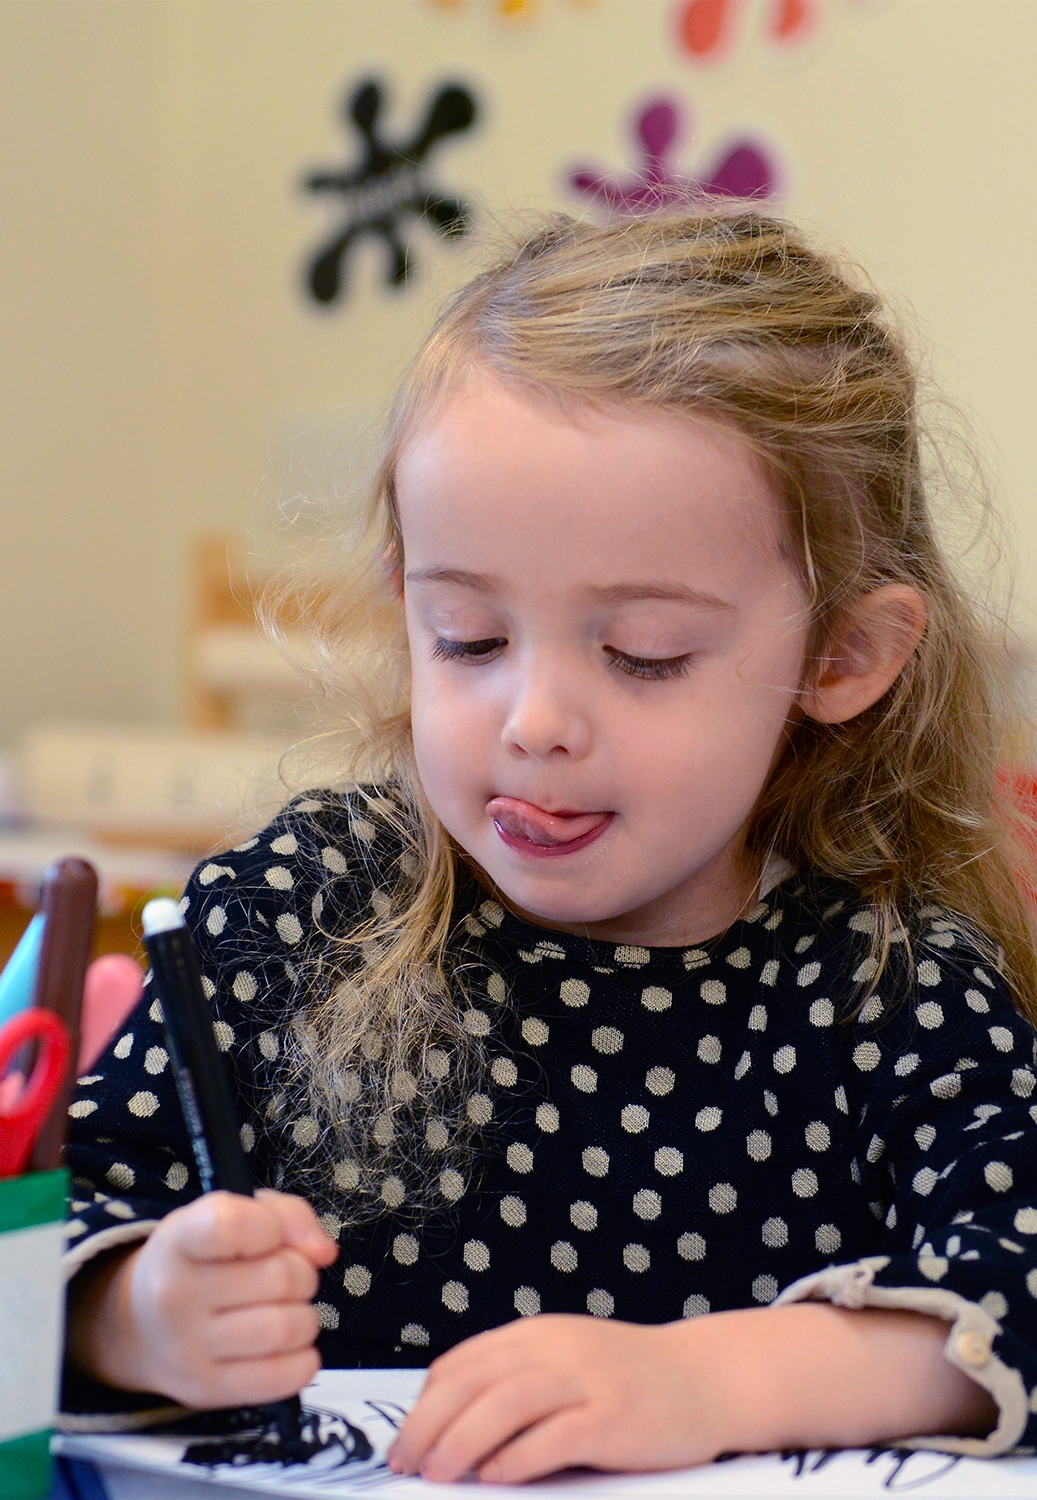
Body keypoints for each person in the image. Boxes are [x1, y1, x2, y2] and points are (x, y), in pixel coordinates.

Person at [63, 209, 1037, 1479]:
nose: (531, 723)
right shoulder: (299, 911)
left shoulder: (883, 984)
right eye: (465, 636)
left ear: (840, 657)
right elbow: (15, 1241)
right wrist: (134, 1315)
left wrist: (709, 1379)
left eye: (642, 655)